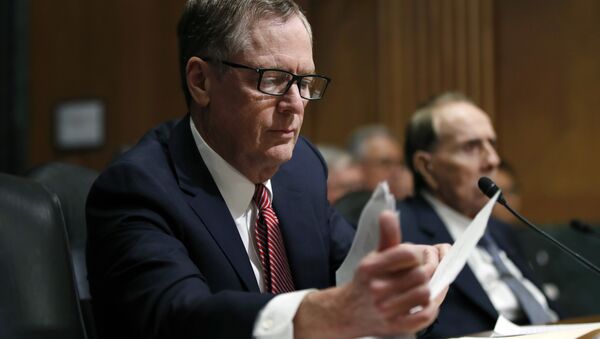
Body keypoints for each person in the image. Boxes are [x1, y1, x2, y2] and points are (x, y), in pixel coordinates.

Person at [86, 1, 449, 338]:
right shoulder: (137, 188)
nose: (296, 105)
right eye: (273, 79)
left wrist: (406, 277)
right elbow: (177, 316)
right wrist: (322, 314)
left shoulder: (301, 168)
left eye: (305, 83)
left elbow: (353, 266)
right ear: (201, 81)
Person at [399, 91, 561, 338]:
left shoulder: (500, 230)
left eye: (492, 144)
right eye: (471, 147)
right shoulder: (403, 233)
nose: (493, 161)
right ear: (426, 166)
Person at [335, 125, 414, 226]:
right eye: (385, 163)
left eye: (400, 164)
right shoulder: (353, 208)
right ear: (357, 166)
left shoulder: (403, 203)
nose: (397, 172)